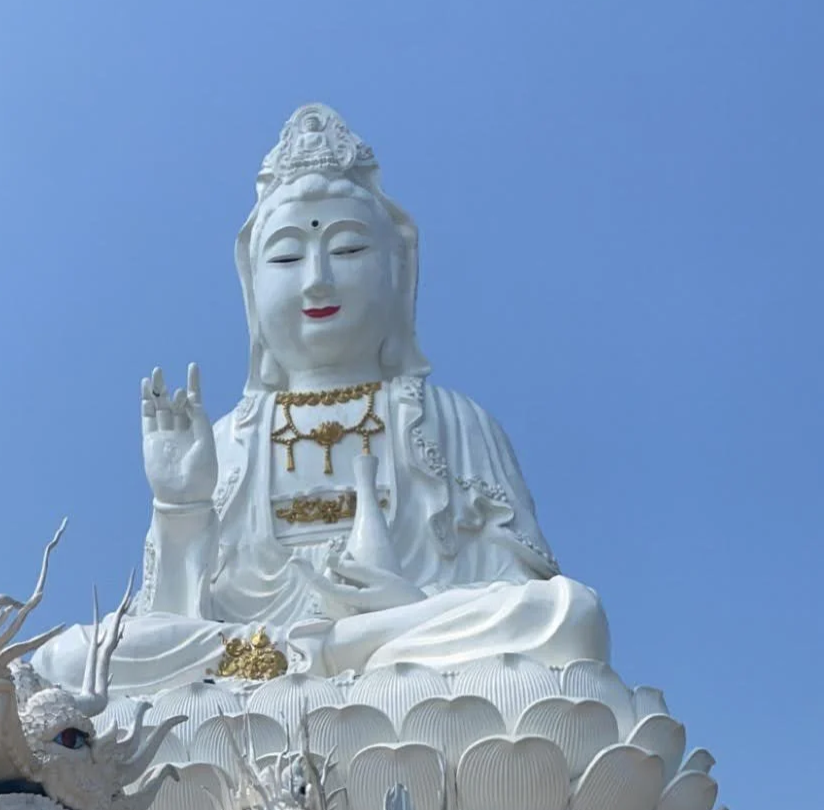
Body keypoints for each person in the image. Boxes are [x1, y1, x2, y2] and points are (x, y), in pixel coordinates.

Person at [36, 104, 607, 695]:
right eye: (286, 257)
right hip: (248, 660)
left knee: (567, 615)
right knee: (70, 660)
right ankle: (328, 658)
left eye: (349, 250)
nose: (316, 280)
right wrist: (180, 507)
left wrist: (407, 602)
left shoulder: (453, 420)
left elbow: (513, 586)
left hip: (411, 651)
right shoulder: (233, 437)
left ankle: (341, 652)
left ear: (397, 271)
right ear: (253, 289)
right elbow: (177, 621)